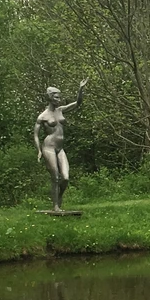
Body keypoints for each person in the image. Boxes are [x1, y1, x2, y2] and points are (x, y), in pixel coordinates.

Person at [34, 80, 88, 211]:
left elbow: (77, 103)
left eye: (59, 97)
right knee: (55, 176)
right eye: (56, 97)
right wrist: (39, 150)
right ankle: (56, 206)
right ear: (50, 98)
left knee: (65, 177)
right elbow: (36, 135)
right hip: (48, 147)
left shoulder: (61, 110)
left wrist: (80, 89)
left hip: (60, 148)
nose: (59, 100)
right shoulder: (42, 116)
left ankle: (58, 197)